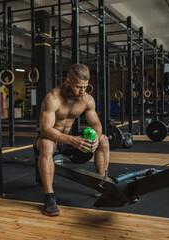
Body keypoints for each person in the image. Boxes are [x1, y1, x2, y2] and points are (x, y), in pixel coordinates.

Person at [33, 64, 110, 216]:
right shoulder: (53, 98)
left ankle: (100, 185)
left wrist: (96, 137)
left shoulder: (87, 100)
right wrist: (72, 140)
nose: (82, 91)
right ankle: (49, 196)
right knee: (47, 145)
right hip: (49, 139)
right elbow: (45, 130)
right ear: (67, 82)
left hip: (69, 140)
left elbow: (96, 125)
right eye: (78, 87)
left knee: (104, 139)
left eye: (85, 87)